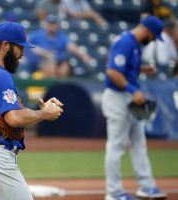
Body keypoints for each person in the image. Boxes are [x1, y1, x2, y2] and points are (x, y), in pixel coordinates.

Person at [0, 22, 64, 200]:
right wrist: (44, 114)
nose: (22, 52)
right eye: (19, 46)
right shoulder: (1, 76)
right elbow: (13, 118)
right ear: (5, 45)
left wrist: (39, 110)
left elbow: (12, 110)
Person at [101, 15, 167, 200]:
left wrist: (142, 69)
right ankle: (113, 193)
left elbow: (125, 68)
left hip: (128, 97)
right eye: (153, 36)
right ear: (147, 31)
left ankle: (146, 186)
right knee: (116, 146)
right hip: (117, 97)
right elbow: (112, 72)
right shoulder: (126, 42)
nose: (153, 40)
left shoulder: (133, 43)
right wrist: (132, 89)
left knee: (139, 143)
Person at [26, 14, 91, 73]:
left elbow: (72, 46)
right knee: (51, 65)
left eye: (54, 23)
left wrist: (83, 55)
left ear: (57, 25)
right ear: (45, 24)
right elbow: (24, 40)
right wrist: (41, 51)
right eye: (49, 23)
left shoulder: (61, 36)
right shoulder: (38, 34)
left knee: (65, 66)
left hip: (59, 60)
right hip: (43, 61)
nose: (51, 26)